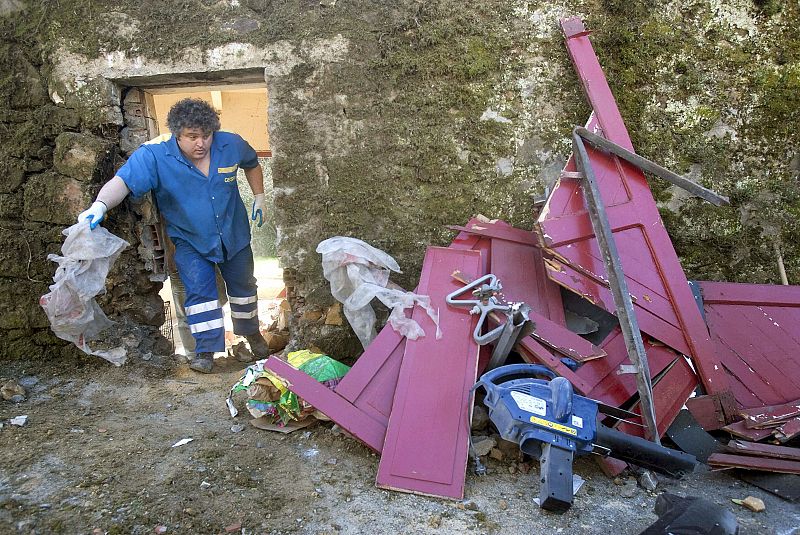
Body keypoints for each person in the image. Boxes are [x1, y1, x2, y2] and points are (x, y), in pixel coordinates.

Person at [78, 98, 270, 373]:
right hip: (190, 240)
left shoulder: (231, 143)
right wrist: (99, 205)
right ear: (177, 134)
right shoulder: (155, 154)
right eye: (192, 137)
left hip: (234, 235)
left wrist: (260, 197)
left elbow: (252, 163)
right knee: (199, 293)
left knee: (244, 290)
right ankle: (205, 352)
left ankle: (253, 336)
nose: (201, 143)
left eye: (206, 136)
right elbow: (122, 181)